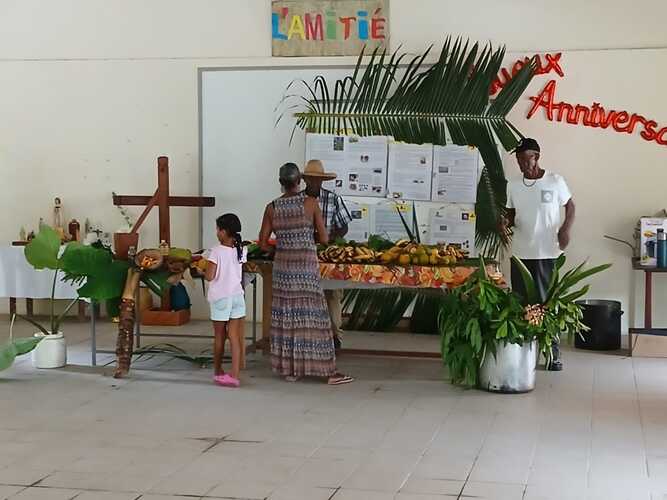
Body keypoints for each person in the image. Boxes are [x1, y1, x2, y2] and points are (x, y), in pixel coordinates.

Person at [259, 162, 353, 385]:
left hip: (283, 269)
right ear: (299, 181)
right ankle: (327, 372)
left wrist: (280, 249)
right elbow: (324, 238)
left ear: (281, 182)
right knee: (314, 319)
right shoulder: (310, 203)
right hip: (305, 269)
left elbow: (263, 243)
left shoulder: (271, 207)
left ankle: (292, 370)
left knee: (288, 319)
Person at [500, 138, 575, 371]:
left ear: (537, 157)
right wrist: (504, 223)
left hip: (546, 253)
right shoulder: (513, 184)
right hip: (521, 253)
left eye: (525, 159)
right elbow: (511, 213)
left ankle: (553, 353)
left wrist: (565, 229)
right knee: (521, 303)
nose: (522, 164)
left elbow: (570, 206)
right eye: (518, 160)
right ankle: (524, 351)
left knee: (546, 303)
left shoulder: (554, 181)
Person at [302, 159, 353, 350]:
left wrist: (328, 238)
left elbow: (344, 227)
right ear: (305, 180)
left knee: (333, 295)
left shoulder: (333, 199)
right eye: (311, 179)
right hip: (305, 254)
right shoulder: (297, 200)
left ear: (322, 180)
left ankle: (335, 336)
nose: (314, 182)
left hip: (329, 254)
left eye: (318, 179)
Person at [205, 213, 247, 387]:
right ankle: (234, 375)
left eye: (218, 229)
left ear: (223, 231)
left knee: (220, 336)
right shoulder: (242, 250)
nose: (216, 232)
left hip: (221, 298)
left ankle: (218, 371)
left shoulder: (216, 251)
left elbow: (210, 276)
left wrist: (203, 269)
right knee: (235, 336)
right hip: (237, 296)